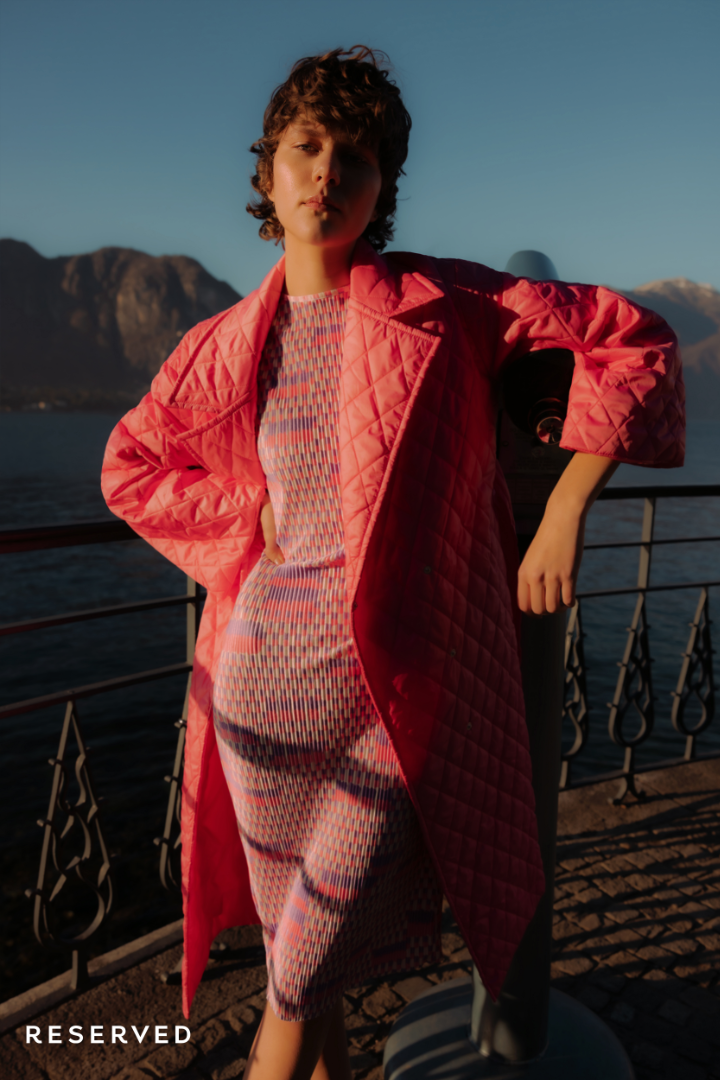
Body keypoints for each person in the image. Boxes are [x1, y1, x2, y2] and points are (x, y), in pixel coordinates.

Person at [101, 46, 684, 1080]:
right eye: (307, 146)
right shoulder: (222, 344)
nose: (329, 171)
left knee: (294, 982)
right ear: (269, 169)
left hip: (402, 695)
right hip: (262, 696)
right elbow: (130, 466)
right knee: (302, 968)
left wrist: (563, 514)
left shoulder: (448, 303)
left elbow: (633, 341)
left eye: (357, 156)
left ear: (383, 185)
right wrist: (244, 512)